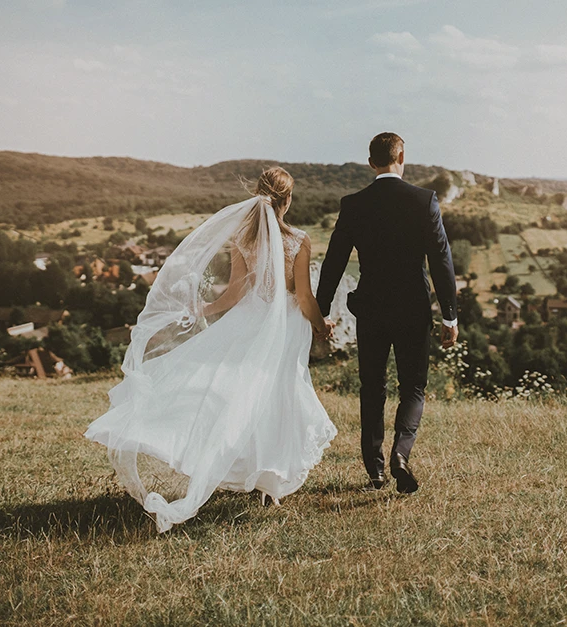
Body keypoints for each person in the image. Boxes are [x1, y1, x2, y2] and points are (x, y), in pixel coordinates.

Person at [85, 167, 337, 532]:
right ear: (287, 200)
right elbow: (302, 296)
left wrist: (203, 309)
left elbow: (234, 293)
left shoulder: (243, 240)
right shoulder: (298, 240)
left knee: (241, 392)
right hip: (283, 328)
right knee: (277, 394)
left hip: (250, 320)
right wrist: (320, 325)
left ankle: (258, 476)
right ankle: (268, 482)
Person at [316, 132, 458, 494]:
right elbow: (441, 260)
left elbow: (333, 262)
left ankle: (375, 471)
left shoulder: (353, 204)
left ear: (371, 163)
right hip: (413, 308)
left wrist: (321, 310)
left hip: (372, 309)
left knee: (372, 388)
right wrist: (449, 316)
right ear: (402, 157)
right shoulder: (424, 200)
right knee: (413, 386)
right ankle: (401, 453)